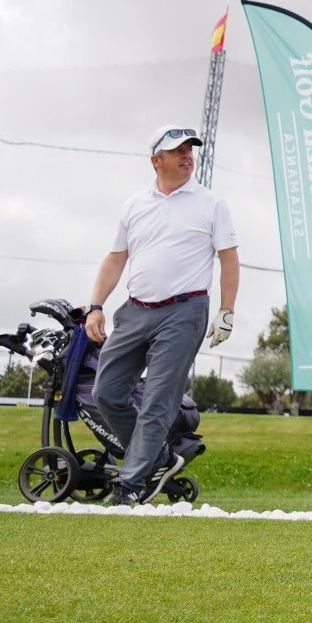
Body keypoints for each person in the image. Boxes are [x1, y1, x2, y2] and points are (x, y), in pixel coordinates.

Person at [84, 125, 239, 506]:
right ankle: (157, 458)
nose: (187, 156)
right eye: (177, 151)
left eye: (190, 149)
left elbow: (229, 258)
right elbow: (116, 258)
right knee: (106, 392)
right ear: (156, 160)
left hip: (184, 312)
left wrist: (226, 311)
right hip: (135, 311)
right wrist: (95, 305)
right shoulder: (135, 205)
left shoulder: (211, 204)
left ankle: (131, 485)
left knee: (158, 401)